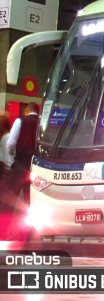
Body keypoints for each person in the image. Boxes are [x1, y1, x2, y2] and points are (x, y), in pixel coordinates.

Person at [2, 103, 39, 240]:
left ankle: (4, 231)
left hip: (20, 165)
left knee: (9, 199)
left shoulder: (20, 121)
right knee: (30, 201)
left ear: (27, 110)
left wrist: (12, 153)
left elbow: (10, 143)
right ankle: (28, 233)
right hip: (36, 167)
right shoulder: (42, 123)